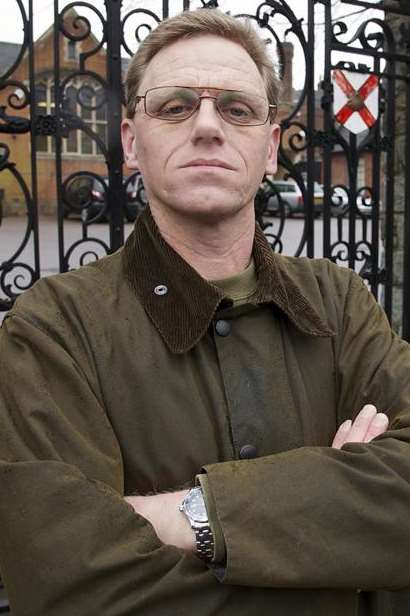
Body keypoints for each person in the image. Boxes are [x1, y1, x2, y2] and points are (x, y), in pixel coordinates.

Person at [0, 8, 409, 616]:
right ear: (132, 141)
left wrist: (194, 514)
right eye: (175, 106)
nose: (208, 127)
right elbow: (67, 583)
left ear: (270, 147)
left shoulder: (340, 303)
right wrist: (333, 538)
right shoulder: (55, 329)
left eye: (238, 109)